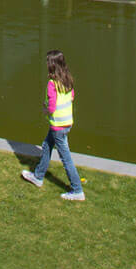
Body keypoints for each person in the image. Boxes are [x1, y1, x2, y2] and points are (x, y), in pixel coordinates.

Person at [18, 49, 84, 201]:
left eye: (48, 62)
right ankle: (38, 176)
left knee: (66, 158)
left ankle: (77, 190)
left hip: (58, 126)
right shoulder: (68, 79)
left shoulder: (52, 84)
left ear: (52, 65)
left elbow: (52, 107)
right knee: (47, 146)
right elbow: (71, 97)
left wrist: (45, 108)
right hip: (66, 123)